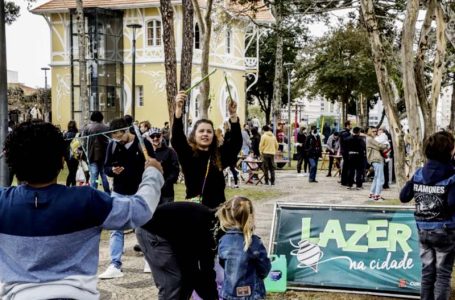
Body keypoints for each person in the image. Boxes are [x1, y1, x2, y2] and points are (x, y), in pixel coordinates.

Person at [0, 121, 163, 299]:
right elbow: (141, 210)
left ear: (12, 164)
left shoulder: (2, 202)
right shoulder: (87, 201)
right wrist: (153, 174)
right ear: (63, 161)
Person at [400, 131, 455, 300]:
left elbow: (403, 197)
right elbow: (452, 203)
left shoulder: (418, 174)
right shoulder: (452, 176)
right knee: (443, 275)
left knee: (427, 273)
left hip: (423, 230)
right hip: (445, 231)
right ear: (449, 151)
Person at [99, 118, 156, 279]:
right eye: (113, 137)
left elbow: (152, 165)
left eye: (118, 136)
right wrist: (112, 170)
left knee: (143, 227)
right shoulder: (113, 145)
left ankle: (148, 260)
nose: (116, 140)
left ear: (126, 131)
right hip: (118, 191)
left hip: (139, 192)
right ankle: (115, 264)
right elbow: (106, 167)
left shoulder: (143, 144)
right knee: (116, 228)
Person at [172, 91, 242, 208]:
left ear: (213, 136)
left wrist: (233, 116)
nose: (205, 134)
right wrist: (178, 110)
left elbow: (235, 144)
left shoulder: (218, 155)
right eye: (201, 131)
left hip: (217, 210)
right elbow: (177, 138)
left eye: (209, 131)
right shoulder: (188, 154)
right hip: (195, 209)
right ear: (194, 135)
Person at [137, 201, 218, 300]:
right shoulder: (206, 226)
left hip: (171, 233)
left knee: (187, 279)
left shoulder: (210, 221)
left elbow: (200, 269)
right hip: (151, 231)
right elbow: (204, 269)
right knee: (172, 282)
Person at [216, 196, 271, 300]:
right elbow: (265, 269)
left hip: (228, 293)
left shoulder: (223, 240)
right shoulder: (254, 241)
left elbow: (223, 263)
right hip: (252, 294)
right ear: (250, 216)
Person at [147, 127, 180, 203]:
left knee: (166, 213)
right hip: (151, 191)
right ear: (149, 138)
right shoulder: (146, 153)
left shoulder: (170, 152)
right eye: (152, 136)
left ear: (161, 136)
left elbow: (175, 170)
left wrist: (166, 183)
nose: (155, 138)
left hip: (166, 192)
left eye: (157, 136)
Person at [82, 111, 110, 193]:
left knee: (94, 176)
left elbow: (84, 142)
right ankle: (107, 193)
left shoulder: (87, 128)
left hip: (92, 155)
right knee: (104, 176)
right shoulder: (106, 127)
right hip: (105, 155)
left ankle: (93, 193)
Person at [366, 127, 387, 201]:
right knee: (380, 178)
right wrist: (387, 145)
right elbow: (380, 146)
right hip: (377, 159)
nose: (375, 132)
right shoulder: (370, 139)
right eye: (373, 131)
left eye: (376, 131)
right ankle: (377, 195)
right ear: (369, 131)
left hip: (375, 160)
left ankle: (372, 193)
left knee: (376, 177)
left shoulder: (370, 139)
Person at [63, 120, 79, 187]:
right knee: (73, 172)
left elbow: (63, 146)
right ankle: (72, 186)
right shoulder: (77, 134)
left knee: (71, 171)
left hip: (67, 156)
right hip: (75, 155)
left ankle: (70, 186)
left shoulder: (65, 134)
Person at [339, 120, 352, 186]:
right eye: (351, 124)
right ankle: (344, 181)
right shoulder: (344, 132)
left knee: (346, 166)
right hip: (346, 151)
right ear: (348, 125)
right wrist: (352, 135)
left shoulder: (346, 132)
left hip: (346, 151)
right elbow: (346, 140)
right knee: (346, 166)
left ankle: (344, 181)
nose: (351, 126)